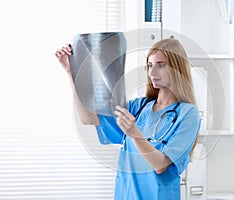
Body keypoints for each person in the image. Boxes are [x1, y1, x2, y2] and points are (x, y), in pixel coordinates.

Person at [55, 38, 201, 200]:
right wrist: (71, 73)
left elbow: (161, 165)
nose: (152, 73)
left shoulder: (188, 114)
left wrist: (134, 133)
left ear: (177, 68)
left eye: (160, 65)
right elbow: (87, 117)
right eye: (150, 66)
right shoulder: (139, 108)